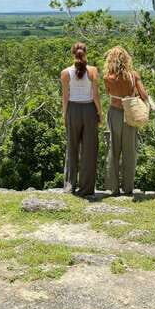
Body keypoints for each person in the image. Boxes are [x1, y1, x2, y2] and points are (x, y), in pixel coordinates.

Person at [103, 46, 149, 195]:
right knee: (129, 152)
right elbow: (144, 95)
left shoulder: (107, 78)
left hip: (114, 113)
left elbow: (109, 93)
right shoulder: (133, 75)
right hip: (130, 114)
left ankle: (114, 188)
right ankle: (128, 188)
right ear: (126, 59)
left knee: (113, 150)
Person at [60, 42, 101, 196]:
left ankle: (70, 186)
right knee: (89, 151)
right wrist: (99, 113)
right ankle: (86, 189)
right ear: (85, 53)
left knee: (72, 148)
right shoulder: (93, 71)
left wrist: (65, 115)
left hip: (73, 110)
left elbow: (65, 97)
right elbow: (96, 96)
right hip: (89, 110)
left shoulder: (65, 73)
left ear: (73, 54)